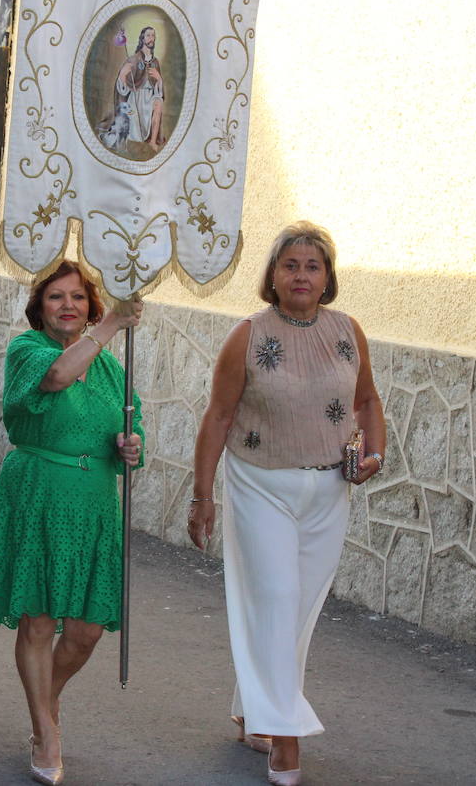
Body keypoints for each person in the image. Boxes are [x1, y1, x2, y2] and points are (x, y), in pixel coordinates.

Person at [188, 222, 385, 786]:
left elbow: (367, 400)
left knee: (298, 608)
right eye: (290, 265)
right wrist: (203, 496)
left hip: (329, 489)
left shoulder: (349, 331)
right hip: (261, 484)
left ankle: (255, 708)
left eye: (313, 266)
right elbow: (217, 418)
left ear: (328, 279)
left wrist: (375, 454)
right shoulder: (247, 335)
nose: (301, 275)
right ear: (272, 276)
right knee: (275, 595)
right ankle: (287, 739)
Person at [0, 259, 143, 786]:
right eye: (57, 297)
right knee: (39, 621)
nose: (69, 305)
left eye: (79, 297)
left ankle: (44, 700)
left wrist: (131, 446)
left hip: (93, 502)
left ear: (89, 305)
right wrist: (111, 324)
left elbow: (133, 422)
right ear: (40, 308)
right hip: (38, 492)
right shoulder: (28, 351)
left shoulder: (111, 368)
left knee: (86, 631)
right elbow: (59, 377)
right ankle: (46, 729)